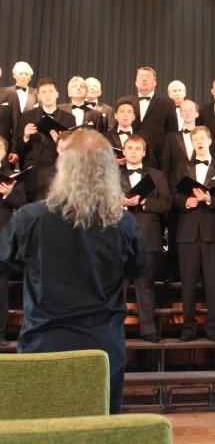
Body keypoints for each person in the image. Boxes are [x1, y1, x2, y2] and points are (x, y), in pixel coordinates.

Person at [0, 129, 149, 414]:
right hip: (102, 348)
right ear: (108, 171)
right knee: (97, 428)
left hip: (44, 345)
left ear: (63, 167)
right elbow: (139, 267)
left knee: (45, 428)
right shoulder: (123, 223)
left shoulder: (30, 218)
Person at [173, 126, 215, 342]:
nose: (199, 142)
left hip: (213, 232)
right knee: (188, 283)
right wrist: (186, 201)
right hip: (187, 232)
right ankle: (188, 329)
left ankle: (213, 329)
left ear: (209, 141)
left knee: (213, 282)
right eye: (195, 139)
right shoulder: (182, 167)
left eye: (202, 138)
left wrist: (210, 199)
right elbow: (174, 195)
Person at [119, 135, 172, 343]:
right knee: (117, 286)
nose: (133, 151)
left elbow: (167, 203)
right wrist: (121, 202)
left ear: (143, 152)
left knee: (146, 286)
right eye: (129, 148)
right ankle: (115, 329)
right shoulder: (111, 174)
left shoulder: (156, 175)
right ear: (124, 151)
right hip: (118, 237)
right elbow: (100, 201)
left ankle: (148, 330)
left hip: (147, 236)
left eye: (137, 148)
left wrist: (144, 203)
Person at [16, 79, 76, 202]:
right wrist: (25, 136)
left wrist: (60, 141)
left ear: (57, 94)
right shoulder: (27, 116)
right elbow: (19, 149)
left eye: (50, 91)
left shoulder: (69, 118)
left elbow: (73, 150)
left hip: (58, 171)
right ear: (38, 96)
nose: (47, 95)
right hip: (33, 173)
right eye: (44, 92)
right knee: (32, 208)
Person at [117, 66, 179, 169]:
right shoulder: (124, 101)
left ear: (155, 82)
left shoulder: (167, 103)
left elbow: (172, 132)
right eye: (141, 76)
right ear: (136, 82)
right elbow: (117, 128)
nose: (144, 79)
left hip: (157, 158)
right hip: (128, 156)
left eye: (148, 77)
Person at [0, 135, 27, 347]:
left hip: (2, 238)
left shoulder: (12, 177)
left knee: (1, 289)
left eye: (0, 147)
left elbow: (24, 204)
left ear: (5, 152)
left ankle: (0, 334)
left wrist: (9, 194)